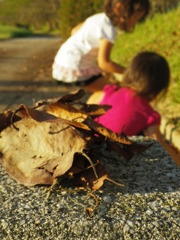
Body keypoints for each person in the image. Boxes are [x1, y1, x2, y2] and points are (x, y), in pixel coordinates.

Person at [87, 51, 180, 166]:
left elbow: (87, 110)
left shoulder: (109, 92)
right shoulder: (149, 114)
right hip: (108, 160)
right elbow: (160, 145)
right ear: (159, 87)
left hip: (87, 148)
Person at [52, 0, 150, 84]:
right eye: (134, 18)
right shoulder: (109, 30)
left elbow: (74, 31)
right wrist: (129, 73)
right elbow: (104, 63)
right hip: (74, 70)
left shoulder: (98, 18)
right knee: (114, 90)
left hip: (61, 64)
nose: (134, 23)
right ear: (119, 8)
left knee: (108, 82)